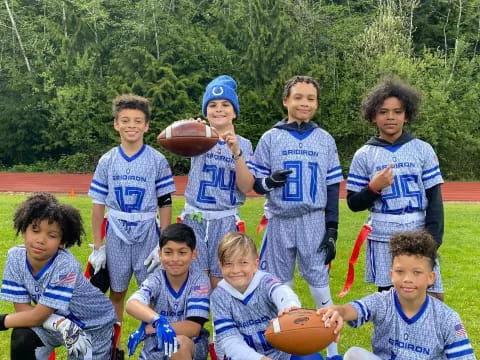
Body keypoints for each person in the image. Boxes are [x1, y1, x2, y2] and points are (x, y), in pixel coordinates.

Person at [250, 75, 343, 360]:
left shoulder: (325, 139)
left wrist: (332, 228)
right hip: (279, 219)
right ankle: (284, 347)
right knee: (279, 284)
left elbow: (331, 186)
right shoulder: (270, 137)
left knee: (319, 284)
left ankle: (332, 349)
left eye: (310, 98)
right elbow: (255, 183)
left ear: (317, 103)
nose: (304, 103)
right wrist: (269, 182)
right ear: (286, 101)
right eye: (298, 97)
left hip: (312, 219)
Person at [88, 94, 176, 356]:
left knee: (153, 294)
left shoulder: (157, 160)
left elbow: (166, 203)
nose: (131, 125)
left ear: (147, 125)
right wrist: (98, 245)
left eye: (138, 121)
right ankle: (114, 348)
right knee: (117, 293)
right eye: (125, 120)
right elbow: (97, 205)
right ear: (115, 124)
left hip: (148, 231)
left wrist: (163, 242)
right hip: (116, 232)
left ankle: (153, 346)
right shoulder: (107, 160)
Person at [346, 79, 444, 300]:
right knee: (391, 299)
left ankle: (430, 336)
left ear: (406, 115)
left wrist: (433, 241)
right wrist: (373, 188)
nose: (390, 117)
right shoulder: (364, 154)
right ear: (373, 116)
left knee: (433, 297)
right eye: (383, 111)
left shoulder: (422, 149)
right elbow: (353, 203)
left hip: (419, 232)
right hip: (384, 236)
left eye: (397, 111)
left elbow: (435, 199)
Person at [319, 230, 476, 360]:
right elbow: (355, 309)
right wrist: (339, 311)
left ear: (431, 278)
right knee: (353, 354)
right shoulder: (383, 302)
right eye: (400, 272)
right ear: (391, 274)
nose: (407, 279)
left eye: (417, 272)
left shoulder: (447, 318)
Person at [0, 193, 116, 359]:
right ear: (23, 230)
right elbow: (23, 311)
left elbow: (36, 316)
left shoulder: (65, 265)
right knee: (23, 335)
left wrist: (2, 321)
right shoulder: (15, 257)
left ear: (62, 242)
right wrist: (59, 323)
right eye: (35, 230)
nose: (41, 239)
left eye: (52, 235)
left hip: (91, 326)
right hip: (56, 321)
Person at [176, 75, 255, 289]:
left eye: (225, 104)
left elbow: (246, 186)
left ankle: (220, 322)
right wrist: (190, 129)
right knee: (196, 282)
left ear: (235, 111)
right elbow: (175, 143)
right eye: (212, 105)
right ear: (205, 111)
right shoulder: (196, 136)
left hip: (225, 219)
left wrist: (236, 152)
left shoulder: (245, 145)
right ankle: (198, 323)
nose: (219, 109)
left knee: (221, 282)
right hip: (195, 217)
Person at [211, 232, 304, 360]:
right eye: (228, 263)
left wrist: (290, 308)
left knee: (311, 357)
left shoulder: (264, 281)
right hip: (244, 356)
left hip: (281, 353)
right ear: (220, 265)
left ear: (255, 264)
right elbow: (230, 340)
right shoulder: (219, 296)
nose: (236, 270)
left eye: (243, 262)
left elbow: (282, 292)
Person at [125, 223, 210, 360]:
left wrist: (149, 329)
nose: (175, 259)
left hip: (189, 345)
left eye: (182, 252)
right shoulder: (156, 278)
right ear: (160, 254)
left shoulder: (199, 281)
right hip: (156, 345)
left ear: (194, 254)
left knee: (178, 344)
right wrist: (158, 320)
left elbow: (193, 327)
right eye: (168, 252)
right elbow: (131, 304)